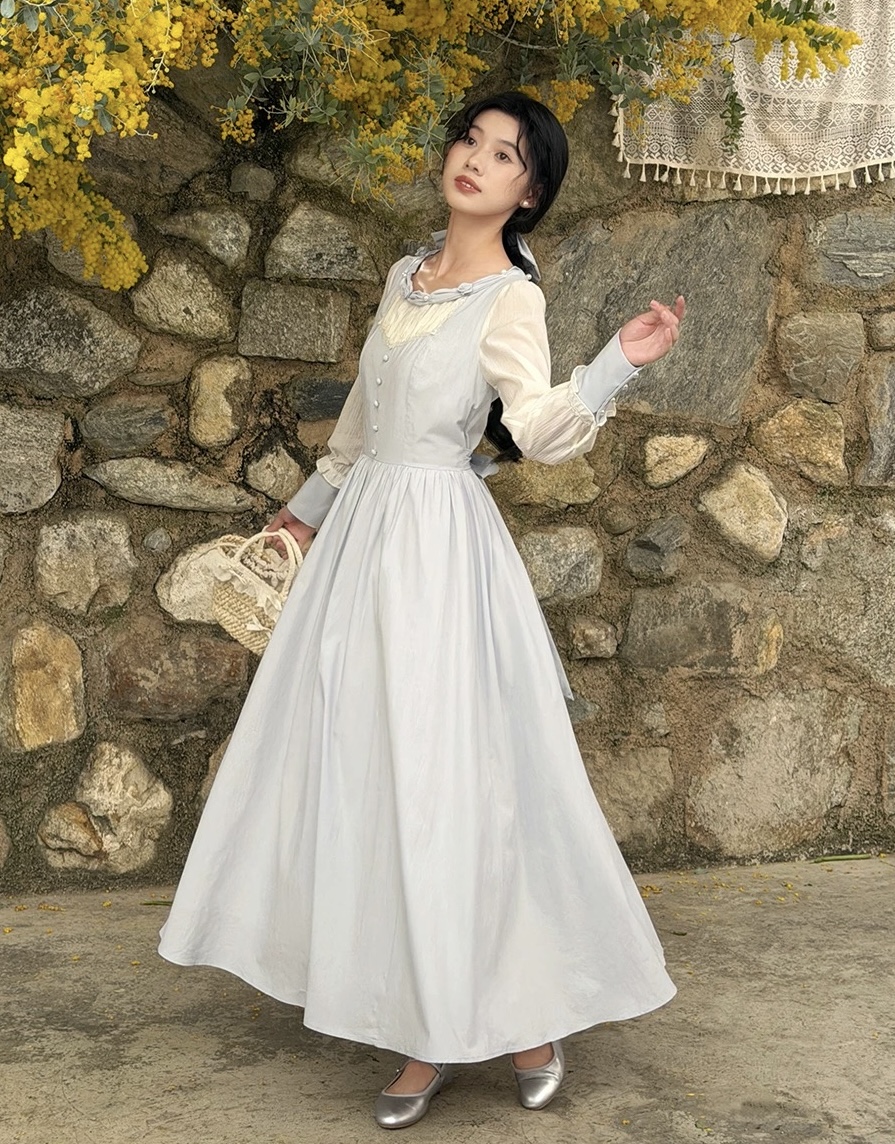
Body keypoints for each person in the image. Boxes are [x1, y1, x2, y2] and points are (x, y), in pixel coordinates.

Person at [158, 90, 685, 1130]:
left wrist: (615, 364)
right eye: (468, 140)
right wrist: (299, 519)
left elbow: (534, 429)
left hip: (442, 557)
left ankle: (518, 1024)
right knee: (370, 779)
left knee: (452, 788)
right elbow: (358, 431)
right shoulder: (406, 276)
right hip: (362, 550)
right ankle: (423, 1028)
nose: (475, 160)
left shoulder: (511, 297)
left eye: (505, 155)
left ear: (528, 191)